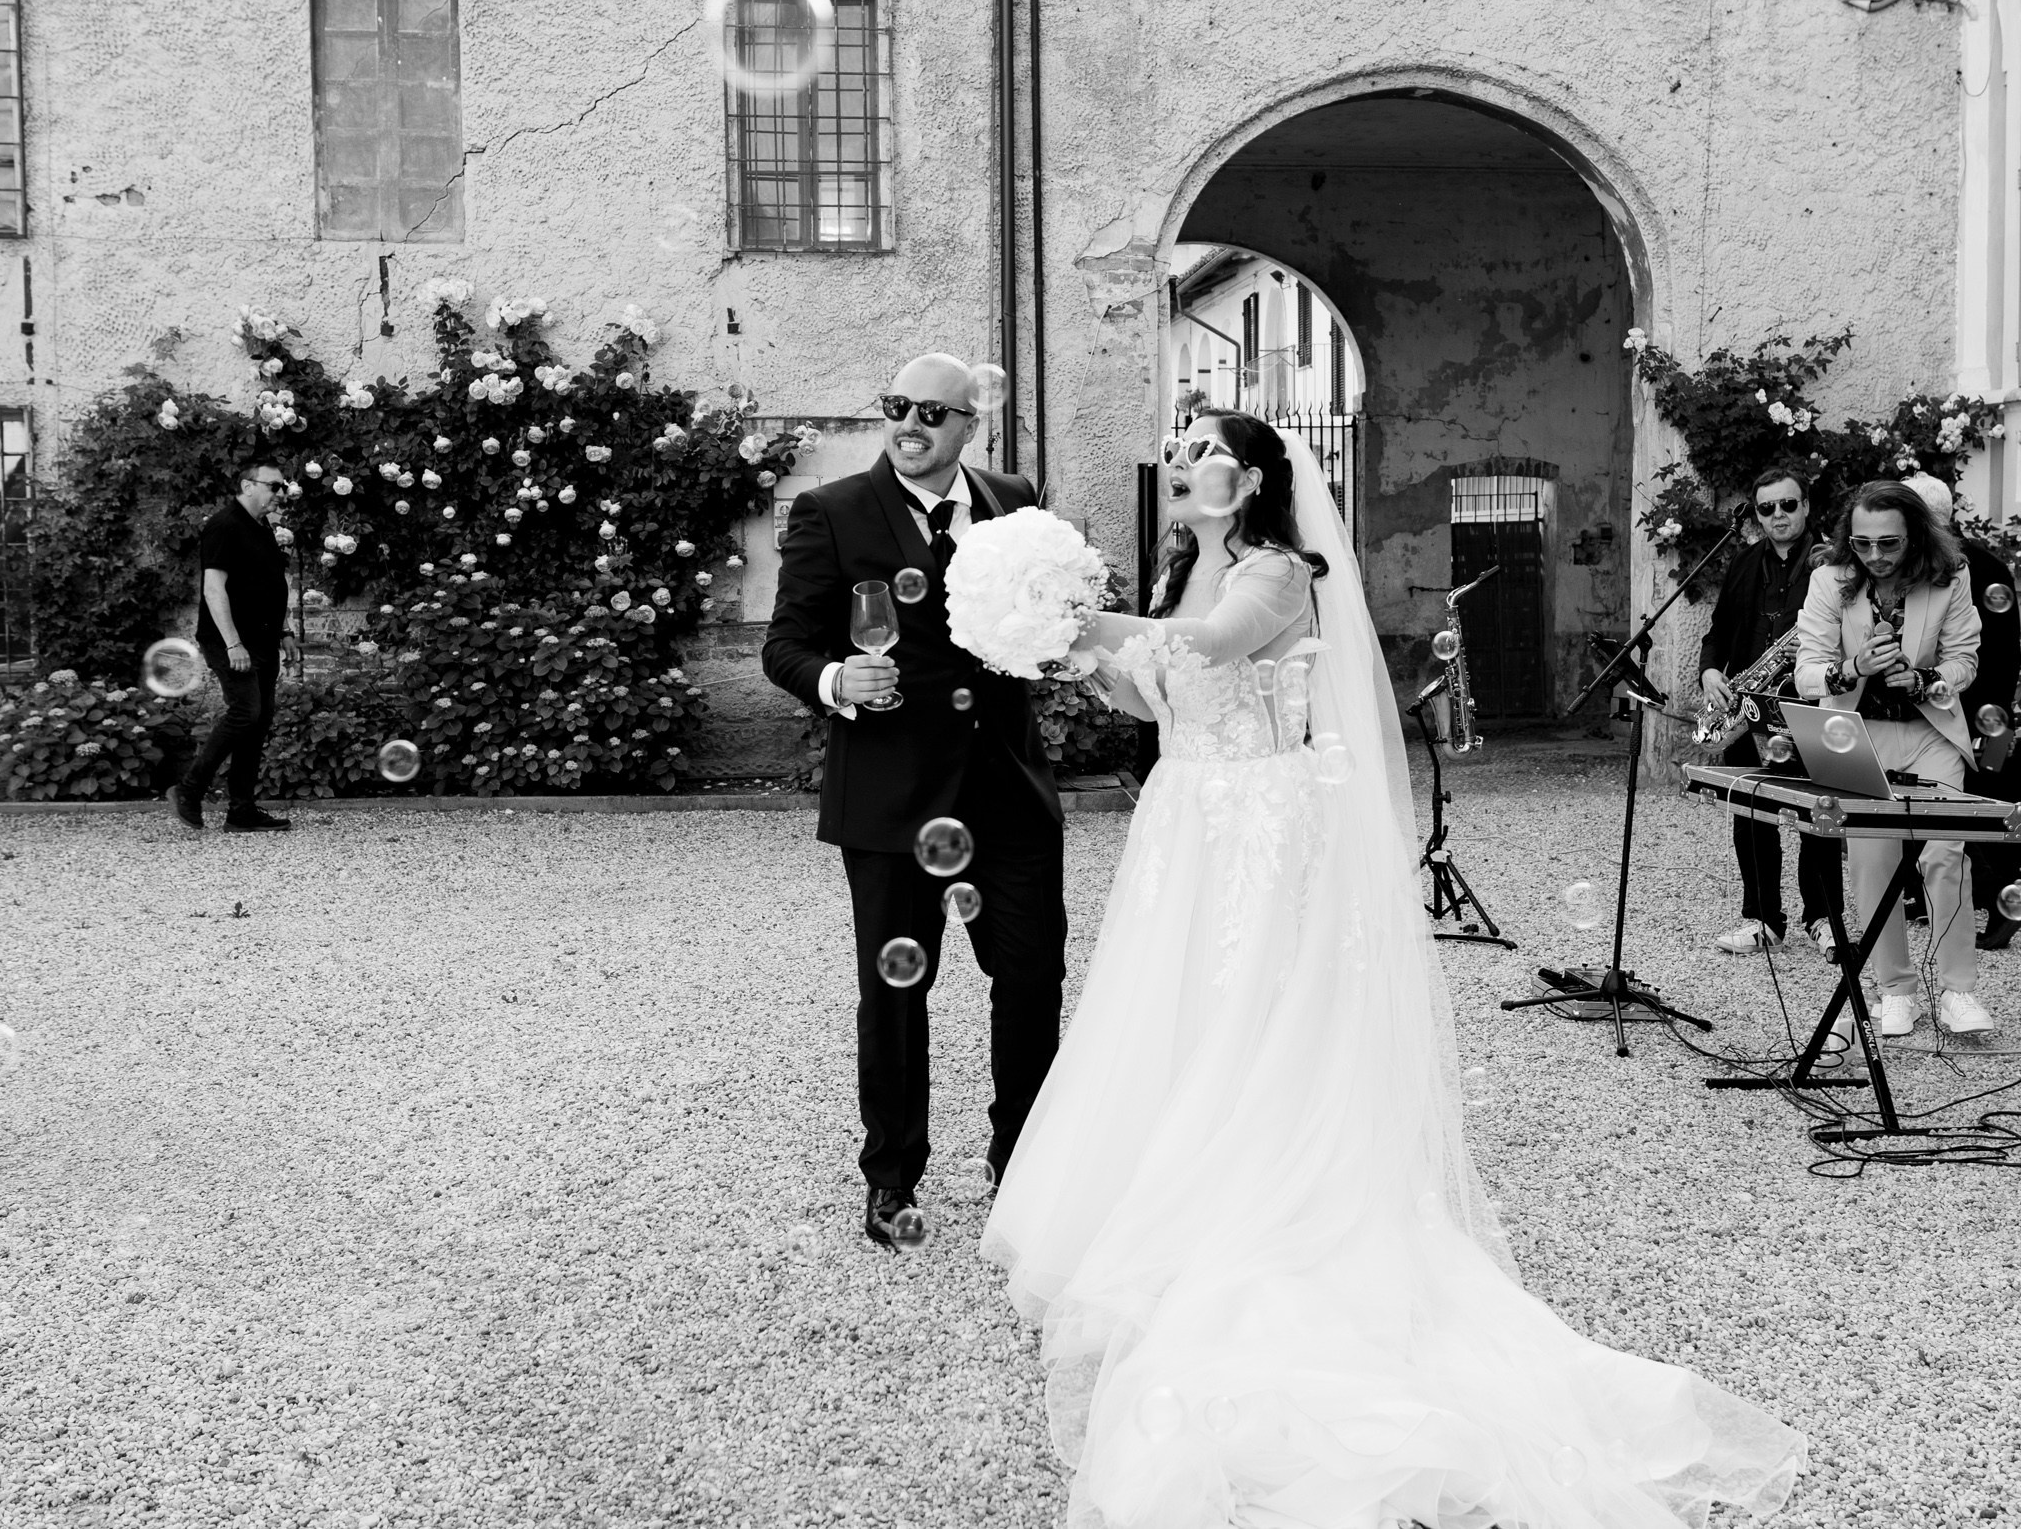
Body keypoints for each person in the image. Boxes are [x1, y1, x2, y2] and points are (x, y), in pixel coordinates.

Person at [983, 412, 1806, 1527]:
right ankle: (1173, 1198)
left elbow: (1214, 647)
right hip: (1185, 821)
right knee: (1176, 1014)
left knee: (1253, 1015)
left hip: (1261, 830)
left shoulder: (1278, 571)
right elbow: (1156, 691)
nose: (1180, 471)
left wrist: (1074, 611)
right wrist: (1074, 653)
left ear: (1256, 476)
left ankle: (1257, 1203)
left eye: (1201, 457)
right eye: (1174, 460)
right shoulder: (1187, 566)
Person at [760, 352, 1067, 1251]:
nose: (911, 423)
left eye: (934, 410)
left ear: (973, 423)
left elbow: (1043, 622)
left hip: (1007, 791)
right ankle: (892, 1179)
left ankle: (1023, 1165)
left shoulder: (1014, 500)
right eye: (896, 404)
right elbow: (785, 645)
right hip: (894, 802)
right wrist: (833, 676)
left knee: (1032, 981)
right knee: (896, 994)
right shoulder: (834, 511)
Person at [1790, 479, 1988, 1038]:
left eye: (1889, 544)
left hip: (1929, 732)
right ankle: (1895, 989)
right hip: (1855, 733)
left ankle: (1957, 991)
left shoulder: (1950, 577)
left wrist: (1923, 679)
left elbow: (1964, 661)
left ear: (1916, 536)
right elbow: (1808, 671)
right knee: (1872, 862)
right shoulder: (1829, 579)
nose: (1874, 556)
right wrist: (1853, 668)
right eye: (1862, 543)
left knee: (1945, 856)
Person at [1697, 464, 1842, 955]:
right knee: (1750, 813)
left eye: (1788, 504)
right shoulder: (1743, 563)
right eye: (1766, 508)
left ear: (1806, 506)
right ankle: (1762, 918)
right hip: (1751, 706)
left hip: (1813, 703)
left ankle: (1823, 918)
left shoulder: (1832, 564)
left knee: (1818, 818)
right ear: (1756, 514)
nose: (1777, 515)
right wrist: (1710, 671)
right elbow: (1716, 632)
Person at [1901, 473, 2021, 949]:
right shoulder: (1919, 564)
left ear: (1938, 517)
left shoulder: (1980, 567)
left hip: (1969, 708)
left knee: (1970, 813)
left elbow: (1998, 654)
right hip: (1932, 706)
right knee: (1926, 805)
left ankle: (2002, 907)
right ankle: (1923, 894)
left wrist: (1984, 719)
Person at [172, 459, 294, 833]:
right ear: (247, 486)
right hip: (232, 642)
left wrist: (284, 630)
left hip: (262, 641)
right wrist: (233, 644)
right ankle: (188, 791)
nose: (280, 494)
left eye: (281, 487)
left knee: (256, 722)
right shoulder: (224, 526)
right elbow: (213, 589)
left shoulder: (261, 528)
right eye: (274, 486)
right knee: (245, 712)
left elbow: (271, 584)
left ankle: (241, 810)